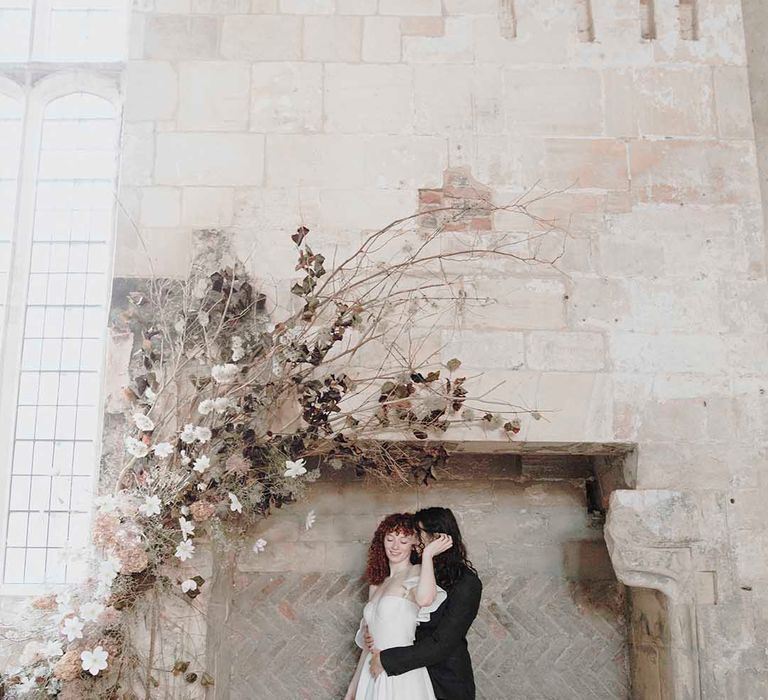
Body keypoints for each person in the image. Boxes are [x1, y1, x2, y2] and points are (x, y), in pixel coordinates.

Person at [367, 507, 482, 700]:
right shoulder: (417, 570)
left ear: (437, 538)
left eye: (419, 535)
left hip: (443, 681)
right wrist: (373, 633)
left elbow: (442, 644)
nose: (415, 541)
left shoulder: (466, 583)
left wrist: (386, 660)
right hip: (405, 677)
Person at [345, 512, 453, 700]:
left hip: (401, 672)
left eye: (403, 541)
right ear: (382, 542)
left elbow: (425, 599)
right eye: (390, 539)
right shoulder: (377, 583)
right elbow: (368, 646)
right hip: (371, 671)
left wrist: (427, 554)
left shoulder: (417, 572)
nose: (395, 547)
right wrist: (351, 691)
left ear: (413, 544)